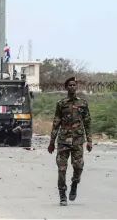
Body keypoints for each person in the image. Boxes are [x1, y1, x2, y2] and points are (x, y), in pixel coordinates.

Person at [48, 77, 92, 206]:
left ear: (76, 87)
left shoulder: (83, 103)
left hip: (78, 141)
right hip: (63, 141)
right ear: (66, 87)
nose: (72, 87)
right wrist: (51, 142)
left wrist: (89, 140)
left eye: (74, 85)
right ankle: (62, 195)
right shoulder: (61, 104)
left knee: (78, 166)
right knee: (61, 169)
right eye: (70, 85)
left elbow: (87, 122)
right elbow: (56, 123)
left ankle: (74, 183)